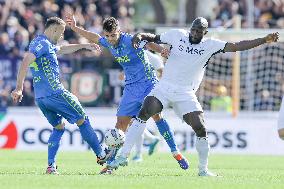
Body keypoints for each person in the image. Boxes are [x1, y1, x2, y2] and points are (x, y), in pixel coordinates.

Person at [108, 17, 279, 176]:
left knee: (200, 127)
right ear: (190, 28)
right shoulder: (177, 35)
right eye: (193, 30)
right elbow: (152, 37)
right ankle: (123, 156)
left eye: (199, 31)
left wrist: (264, 40)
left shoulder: (210, 45)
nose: (195, 33)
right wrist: (139, 37)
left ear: (205, 33)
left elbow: (237, 46)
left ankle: (203, 170)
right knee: (145, 111)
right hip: (165, 87)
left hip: (185, 93)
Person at [65, 14, 189, 174]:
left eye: (113, 35)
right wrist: (75, 28)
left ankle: (175, 152)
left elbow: (149, 43)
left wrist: (162, 50)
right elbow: (93, 37)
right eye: (107, 36)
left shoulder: (131, 40)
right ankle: (110, 165)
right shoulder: (108, 42)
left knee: (157, 116)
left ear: (119, 31)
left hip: (149, 84)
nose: (110, 39)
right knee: (120, 126)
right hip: (131, 88)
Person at [11, 17, 113, 175]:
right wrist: (19, 88)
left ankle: (51, 167)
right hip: (55, 93)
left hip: (42, 98)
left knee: (59, 127)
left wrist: (85, 45)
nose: (62, 36)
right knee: (83, 119)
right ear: (53, 29)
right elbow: (26, 61)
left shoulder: (46, 44)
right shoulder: (42, 43)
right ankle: (101, 155)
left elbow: (63, 49)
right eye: (61, 32)